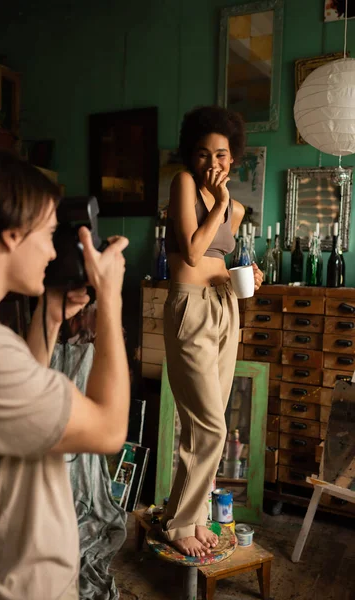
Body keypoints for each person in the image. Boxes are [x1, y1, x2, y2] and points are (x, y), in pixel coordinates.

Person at [0, 149, 130, 599]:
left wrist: (50, 316)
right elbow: (110, 428)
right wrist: (110, 300)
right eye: (50, 234)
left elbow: (21, 408)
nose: (53, 251)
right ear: (13, 233)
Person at [162, 106, 263, 557]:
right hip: (190, 308)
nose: (212, 164)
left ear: (233, 157)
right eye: (203, 155)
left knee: (204, 424)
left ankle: (193, 515)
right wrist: (219, 204)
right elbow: (191, 250)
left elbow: (220, 261)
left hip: (225, 307)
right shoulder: (185, 184)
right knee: (210, 425)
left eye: (220, 155)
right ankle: (181, 523)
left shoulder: (237, 209)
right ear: (191, 156)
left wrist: (249, 275)